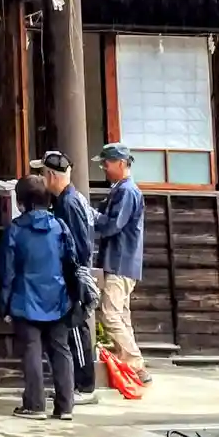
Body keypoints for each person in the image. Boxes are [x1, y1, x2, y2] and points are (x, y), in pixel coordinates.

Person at [0, 174, 85, 419]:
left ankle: (34, 405)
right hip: (58, 298)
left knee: (31, 350)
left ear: (20, 201)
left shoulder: (15, 230)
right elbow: (71, 263)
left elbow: (7, 272)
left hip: (25, 299)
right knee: (61, 349)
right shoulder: (60, 227)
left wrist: (4, 306)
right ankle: (65, 406)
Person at [38, 150, 100, 403]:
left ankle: (85, 387)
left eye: (43, 174)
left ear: (52, 175)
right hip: (75, 272)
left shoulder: (68, 203)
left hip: (73, 274)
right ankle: (75, 384)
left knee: (76, 330)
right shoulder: (70, 198)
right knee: (73, 331)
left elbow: (79, 245)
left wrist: (72, 273)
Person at [93, 143, 148, 384]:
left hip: (119, 261)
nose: (104, 167)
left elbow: (113, 225)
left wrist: (92, 215)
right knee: (122, 317)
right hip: (124, 263)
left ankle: (135, 363)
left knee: (110, 315)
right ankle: (130, 365)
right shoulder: (122, 189)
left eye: (107, 162)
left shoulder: (126, 191)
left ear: (121, 163)